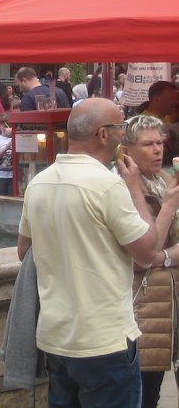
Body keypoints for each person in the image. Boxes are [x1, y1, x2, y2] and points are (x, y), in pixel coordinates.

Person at [17, 98, 179, 408]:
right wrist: (138, 189)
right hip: (104, 341)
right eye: (120, 126)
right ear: (103, 134)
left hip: (56, 337)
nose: (123, 134)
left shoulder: (39, 183)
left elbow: (24, 251)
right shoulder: (108, 186)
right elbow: (146, 251)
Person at [119, 115, 179, 408]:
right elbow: (145, 253)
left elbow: (157, 254)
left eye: (160, 143)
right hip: (145, 308)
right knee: (145, 394)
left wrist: (163, 257)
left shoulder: (163, 179)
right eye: (148, 144)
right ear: (127, 151)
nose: (158, 150)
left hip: (168, 304)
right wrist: (168, 206)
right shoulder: (126, 190)